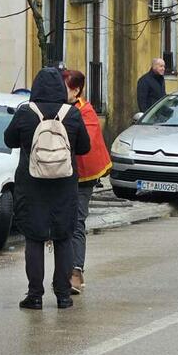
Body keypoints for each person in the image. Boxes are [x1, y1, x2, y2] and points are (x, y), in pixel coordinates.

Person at [5, 67, 90, 310]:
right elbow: (84, 147)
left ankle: (35, 295)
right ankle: (63, 295)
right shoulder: (72, 114)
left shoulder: (25, 112)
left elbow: (10, 139)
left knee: (34, 239)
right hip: (64, 186)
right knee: (63, 237)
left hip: (31, 185)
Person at [63, 69, 112, 295]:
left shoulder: (87, 112)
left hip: (84, 175)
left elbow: (86, 142)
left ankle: (76, 271)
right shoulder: (63, 108)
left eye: (65, 88)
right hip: (63, 173)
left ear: (76, 90)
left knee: (76, 221)